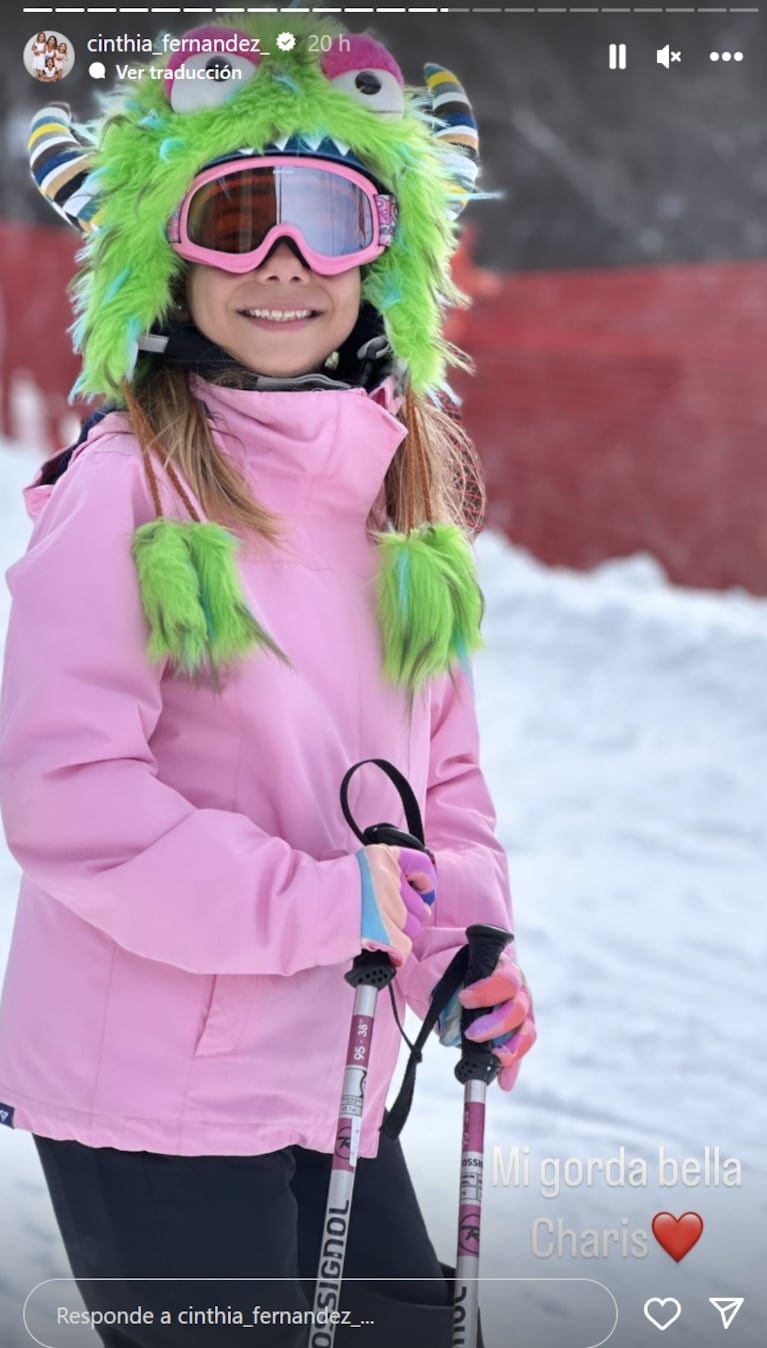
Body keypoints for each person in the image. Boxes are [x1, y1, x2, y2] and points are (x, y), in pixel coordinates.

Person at [0, 14, 535, 1347]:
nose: (283, 261)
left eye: (332, 217)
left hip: (331, 1065)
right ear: (163, 254)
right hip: (155, 1098)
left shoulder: (397, 503)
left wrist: (456, 945)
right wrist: (318, 905)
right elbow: (68, 796)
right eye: (237, 212)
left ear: (387, 257)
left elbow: (440, 782)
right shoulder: (130, 489)